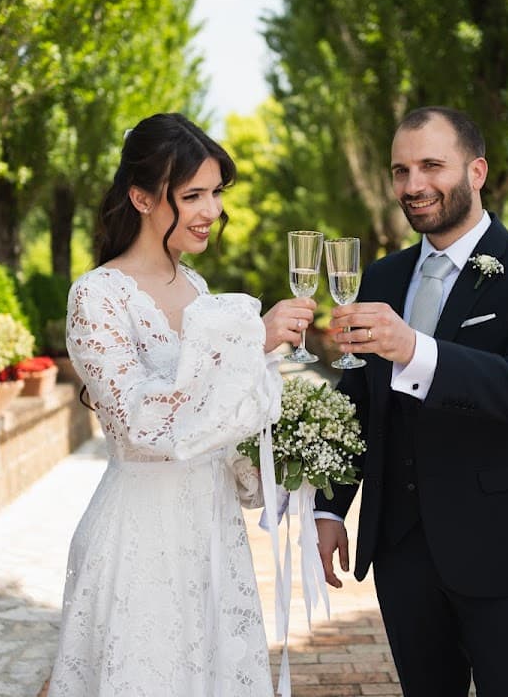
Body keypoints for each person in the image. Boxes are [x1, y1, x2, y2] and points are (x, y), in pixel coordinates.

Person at [314, 106, 508, 696]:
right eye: (400, 170)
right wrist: (331, 509)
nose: (413, 186)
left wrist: (412, 348)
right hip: (402, 551)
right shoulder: (382, 278)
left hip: (501, 546)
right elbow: (357, 402)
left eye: (431, 166)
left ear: (476, 171)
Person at [48, 112, 315, 697]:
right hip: (142, 530)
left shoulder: (196, 288)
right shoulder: (96, 295)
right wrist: (255, 340)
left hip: (211, 528)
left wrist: (278, 445)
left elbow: (215, 415)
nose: (210, 210)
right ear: (142, 197)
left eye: (216, 193)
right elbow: (141, 419)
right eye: (192, 194)